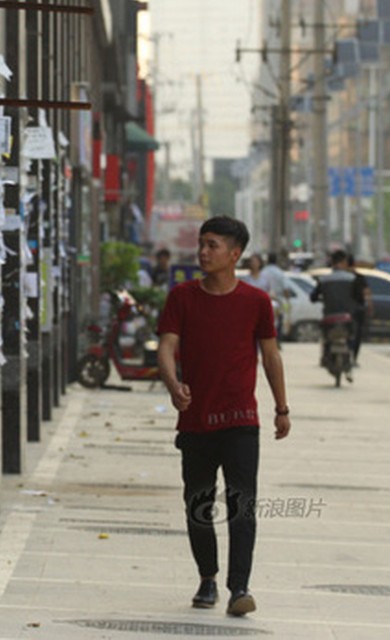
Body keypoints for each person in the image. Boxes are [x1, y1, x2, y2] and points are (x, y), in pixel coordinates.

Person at [157, 215, 290, 617]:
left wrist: (281, 408)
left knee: (242, 505)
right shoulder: (182, 296)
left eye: (213, 245)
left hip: (241, 421)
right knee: (197, 504)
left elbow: (270, 355)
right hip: (196, 420)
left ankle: (240, 588)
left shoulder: (256, 302)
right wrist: (172, 383)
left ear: (235, 254)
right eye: (202, 243)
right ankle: (208, 578)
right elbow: (166, 347)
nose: (203, 251)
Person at [310, 250, 366, 380]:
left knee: (325, 337)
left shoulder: (324, 279)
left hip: (329, 317)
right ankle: (351, 358)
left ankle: (325, 356)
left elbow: (313, 297)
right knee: (353, 335)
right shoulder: (353, 279)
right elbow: (360, 298)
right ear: (343, 262)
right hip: (347, 317)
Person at [346, 254, 372, 365]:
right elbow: (366, 293)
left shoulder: (344, 277)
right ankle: (354, 358)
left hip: (345, 309)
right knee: (357, 334)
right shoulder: (359, 277)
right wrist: (370, 306)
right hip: (358, 309)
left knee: (349, 332)